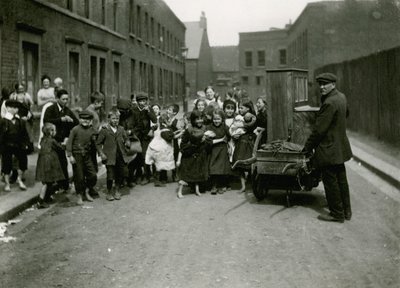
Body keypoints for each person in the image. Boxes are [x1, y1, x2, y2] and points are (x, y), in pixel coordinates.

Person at [302, 73, 353, 223]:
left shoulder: (329, 102)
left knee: (330, 181)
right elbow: (346, 114)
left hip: (329, 149)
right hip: (340, 146)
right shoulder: (341, 97)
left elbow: (318, 130)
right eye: (320, 84)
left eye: (325, 84)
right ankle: (346, 211)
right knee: (341, 179)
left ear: (333, 84)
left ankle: (337, 214)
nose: (322, 87)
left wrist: (307, 148)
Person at [43, 89, 79, 192]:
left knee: (63, 163)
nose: (65, 101)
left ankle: (64, 185)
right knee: (52, 164)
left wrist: (70, 123)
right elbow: (46, 121)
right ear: (57, 99)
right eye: (63, 99)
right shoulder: (50, 109)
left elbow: (76, 123)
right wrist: (61, 119)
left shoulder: (67, 110)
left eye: (67, 99)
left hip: (62, 141)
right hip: (51, 141)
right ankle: (52, 186)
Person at [96, 108, 131, 201]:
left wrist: (127, 143)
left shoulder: (121, 129)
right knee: (110, 175)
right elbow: (98, 143)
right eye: (113, 118)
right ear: (109, 119)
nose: (115, 121)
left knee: (120, 174)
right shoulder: (104, 130)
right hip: (109, 156)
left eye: (117, 119)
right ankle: (109, 191)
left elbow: (126, 138)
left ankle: (117, 190)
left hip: (120, 155)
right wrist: (101, 153)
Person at [177, 110, 212, 198]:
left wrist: (207, 141)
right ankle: (180, 191)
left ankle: (197, 189)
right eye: (197, 119)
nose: (200, 121)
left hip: (200, 154)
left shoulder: (205, 128)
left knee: (197, 173)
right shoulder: (189, 129)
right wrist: (197, 142)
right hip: (190, 155)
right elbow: (183, 144)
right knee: (186, 174)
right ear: (193, 120)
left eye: (201, 119)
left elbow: (209, 143)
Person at [66, 110, 98, 205]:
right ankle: (79, 195)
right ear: (79, 119)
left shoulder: (92, 130)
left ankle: (87, 191)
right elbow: (69, 143)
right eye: (83, 119)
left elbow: (98, 138)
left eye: (88, 119)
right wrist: (70, 156)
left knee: (92, 175)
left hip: (88, 156)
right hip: (77, 155)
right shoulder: (75, 129)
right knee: (79, 177)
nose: (85, 121)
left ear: (91, 120)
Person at [0, 100, 30, 192]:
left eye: (16, 108)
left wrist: (26, 144)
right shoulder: (3, 121)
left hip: (19, 145)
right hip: (7, 145)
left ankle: (19, 179)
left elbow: (25, 134)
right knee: (6, 164)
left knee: (22, 162)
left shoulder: (20, 121)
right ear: (7, 108)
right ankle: (7, 184)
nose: (15, 110)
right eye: (12, 107)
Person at [35, 123, 66, 208]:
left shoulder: (43, 139)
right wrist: (65, 143)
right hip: (49, 163)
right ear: (51, 132)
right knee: (47, 182)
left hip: (42, 162)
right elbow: (60, 148)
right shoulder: (52, 141)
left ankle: (46, 197)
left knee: (48, 182)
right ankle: (40, 201)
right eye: (54, 130)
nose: (55, 132)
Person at [130, 92, 157, 185]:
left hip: (146, 136)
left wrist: (149, 111)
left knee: (145, 156)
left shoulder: (149, 109)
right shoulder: (133, 110)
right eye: (140, 101)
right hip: (137, 136)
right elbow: (131, 123)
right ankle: (138, 174)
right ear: (137, 102)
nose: (142, 103)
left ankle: (147, 175)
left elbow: (154, 120)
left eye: (144, 101)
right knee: (137, 155)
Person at [231, 100, 257, 192]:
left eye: (241, 108)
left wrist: (241, 125)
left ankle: (249, 183)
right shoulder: (240, 117)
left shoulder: (249, 116)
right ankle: (244, 186)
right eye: (239, 108)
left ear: (248, 108)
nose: (239, 109)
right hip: (241, 141)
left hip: (248, 141)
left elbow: (250, 124)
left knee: (248, 162)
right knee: (241, 162)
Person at [207, 109, 232, 194]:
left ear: (222, 119)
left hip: (222, 149)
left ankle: (221, 185)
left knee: (222, 169)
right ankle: (214, 186)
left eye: (218, 119)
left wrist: (228, 144)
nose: (216, 121)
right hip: (213, 149)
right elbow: (207, 139)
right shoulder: (209, 127)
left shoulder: (225, 127)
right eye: (214, 119)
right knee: (213, 168)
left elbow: (229, 137)